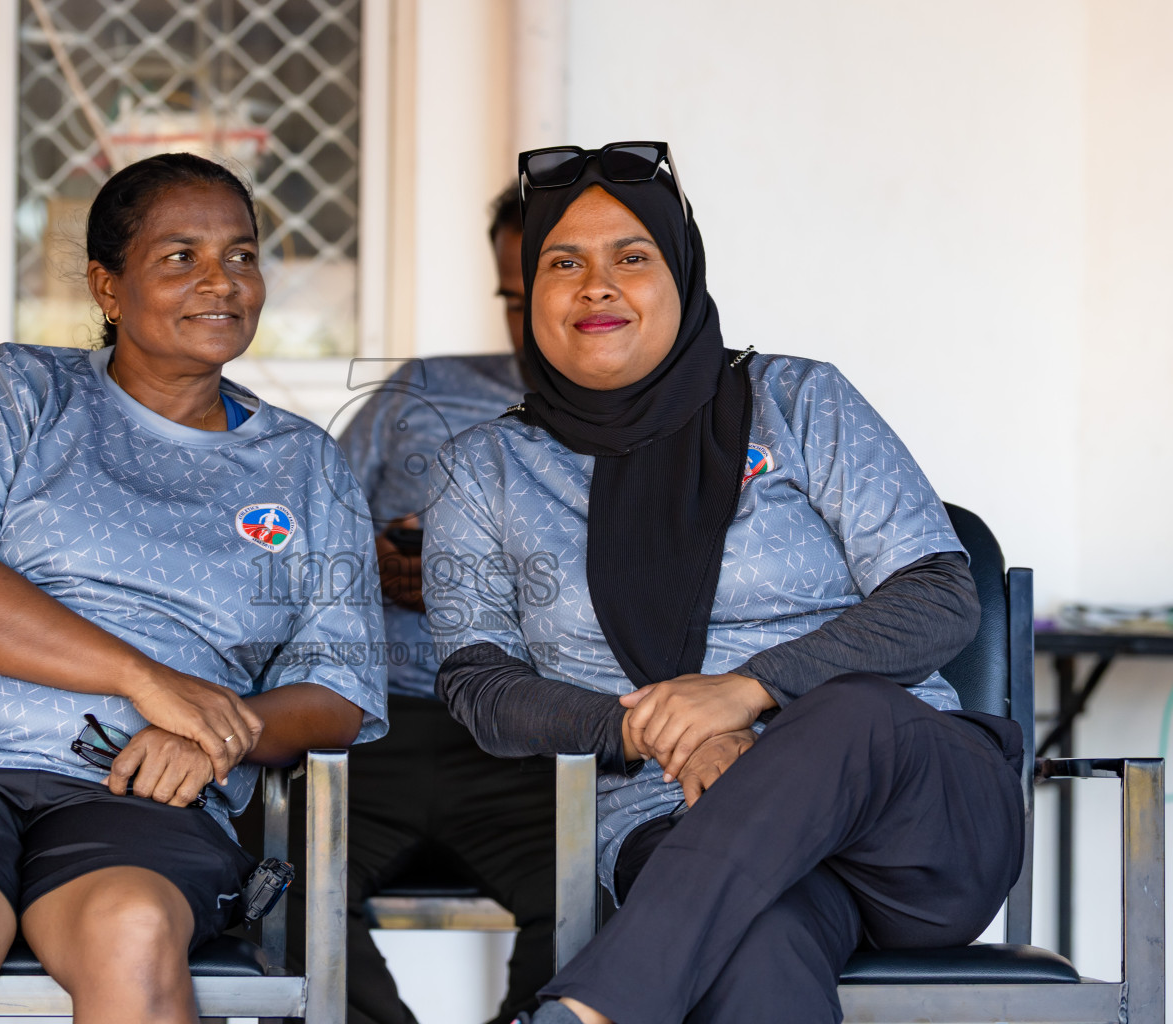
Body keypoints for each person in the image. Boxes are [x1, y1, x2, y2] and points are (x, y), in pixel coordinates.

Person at [0, 153, 388, 1024]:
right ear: (108, 285)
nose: (222, 281)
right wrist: (152, 684)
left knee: (132, 929)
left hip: (143, 788)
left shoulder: (303, 465)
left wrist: (223, 728)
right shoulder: (19, 389)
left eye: (243, 255)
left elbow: (342, 690)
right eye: (180, 256)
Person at [425, 143, 1024, 1024]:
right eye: (564, 262)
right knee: (754, 949)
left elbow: (938, 594)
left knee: (850, 709)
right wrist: (668, 730)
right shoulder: (484, 470)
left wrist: (745, 693)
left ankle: (590, 1010)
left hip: (914, 826)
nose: (597, 286)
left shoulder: (801, 400)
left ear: (683, 274)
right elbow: (479, 684)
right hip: (678, 820)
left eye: (632, 257)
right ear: (530, 292)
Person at [305, 186, 554, 1024]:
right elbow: (314, 522)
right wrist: (366, 556)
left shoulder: (654, 435)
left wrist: (478, 582)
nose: (531, 326)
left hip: (536, 745)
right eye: (513, 301)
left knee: (614, 896)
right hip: (378, 723)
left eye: (550, 293)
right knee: (272, 889)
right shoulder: (423, 391)